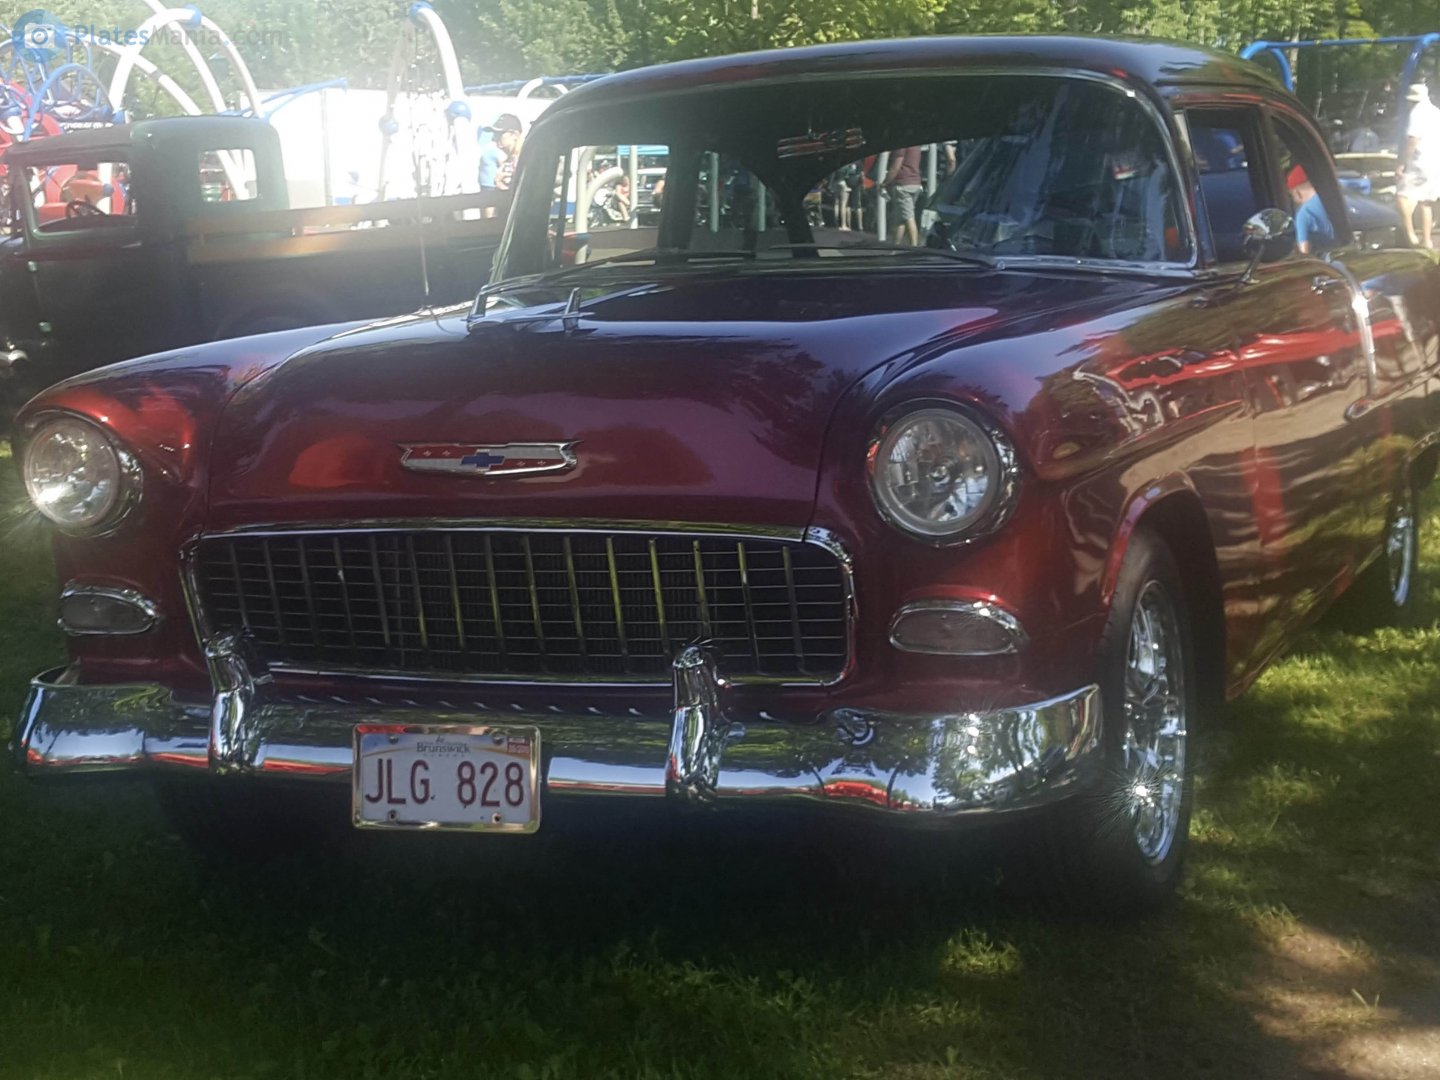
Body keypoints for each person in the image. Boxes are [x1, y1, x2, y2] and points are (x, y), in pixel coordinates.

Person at [1397, 82, 1440, 250]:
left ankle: (1411, 236)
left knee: (1401, 195)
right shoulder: (1436, 112)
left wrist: (1402, 163)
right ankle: (1427, 240)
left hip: (1418, 162)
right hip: (1435, 162)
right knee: (1426, 202)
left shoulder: (1415, 113)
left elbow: (1413, 140)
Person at [1285, 166, 1335, 255]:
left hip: (1323, 260)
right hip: (1337, 252)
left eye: (1291, 195)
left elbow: (1304, 251)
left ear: (1297, 192)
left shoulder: (1303, 214)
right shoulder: (1332, 199)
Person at [883, 145, 924, 245]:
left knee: (908, 217)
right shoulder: (916, 146)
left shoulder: (900, 147)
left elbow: (895, 167)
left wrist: (885, 183)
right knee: (900, 218)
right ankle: (895, 248)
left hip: (903, 185)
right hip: (915, 183)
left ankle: (914, 248)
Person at [478, 113, 523, 191]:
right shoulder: (509, 160)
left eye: (500, 133)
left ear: (515, 135)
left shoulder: (524, 159)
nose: (494, 138)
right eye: (494, 133)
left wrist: (498, 183)